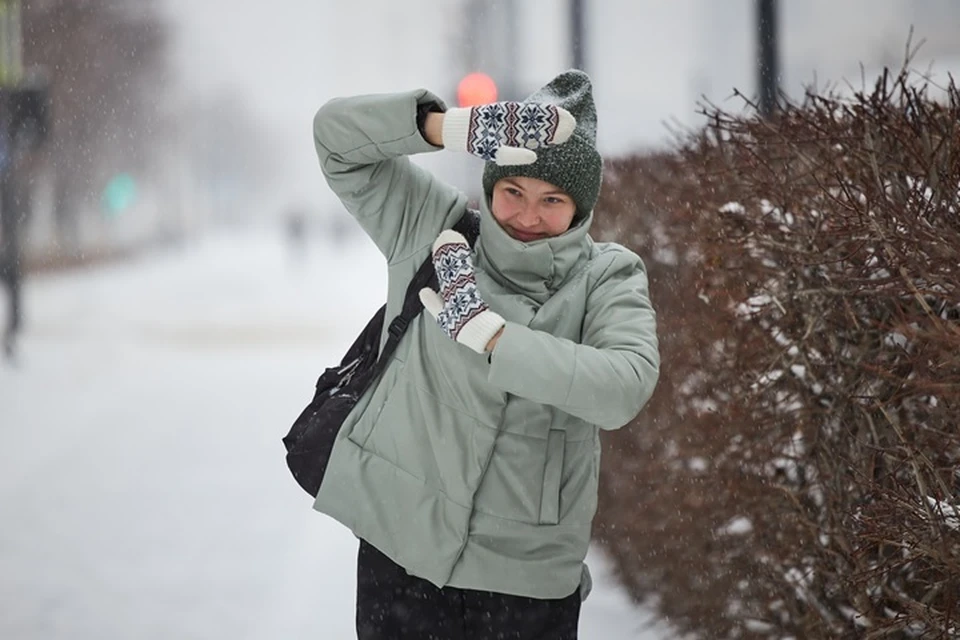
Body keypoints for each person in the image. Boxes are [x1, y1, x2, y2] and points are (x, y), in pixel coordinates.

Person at [311, 69, 660, 639]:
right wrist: (444, 128)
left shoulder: (608, 276)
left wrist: (493, 336)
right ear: (491, 184)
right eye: (513, 191)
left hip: (525, 581)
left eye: (552, 199)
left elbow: (624, 385)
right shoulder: (431, 228)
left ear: (581, 207)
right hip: (402, 557)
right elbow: (334, 140)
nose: (527, 215)